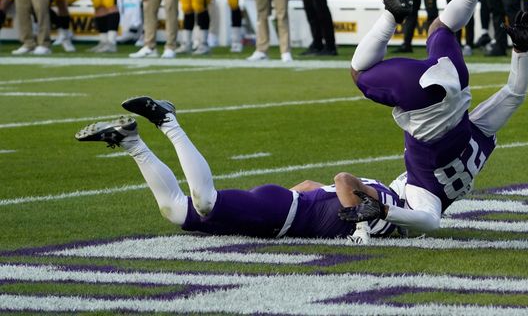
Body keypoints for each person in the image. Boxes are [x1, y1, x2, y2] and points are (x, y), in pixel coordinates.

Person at [340, 0, 528, 233]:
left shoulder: (478, 141)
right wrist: (384, 211)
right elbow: (429, 221)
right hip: (424, 102)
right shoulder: (425, 194)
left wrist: (520, 50)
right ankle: (392, 14)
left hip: (454, 79)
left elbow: (515, 94)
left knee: (441, 27)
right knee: (358, 73)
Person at [75, 96, 401, 241]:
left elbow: (309, 183)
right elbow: (344, 180)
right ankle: (167, 120)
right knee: (205, 202)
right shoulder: (388, 201)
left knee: (176, 212)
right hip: (282, 213)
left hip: (280, 212)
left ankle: (131, 142)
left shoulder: (391, 209)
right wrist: (360, 231)